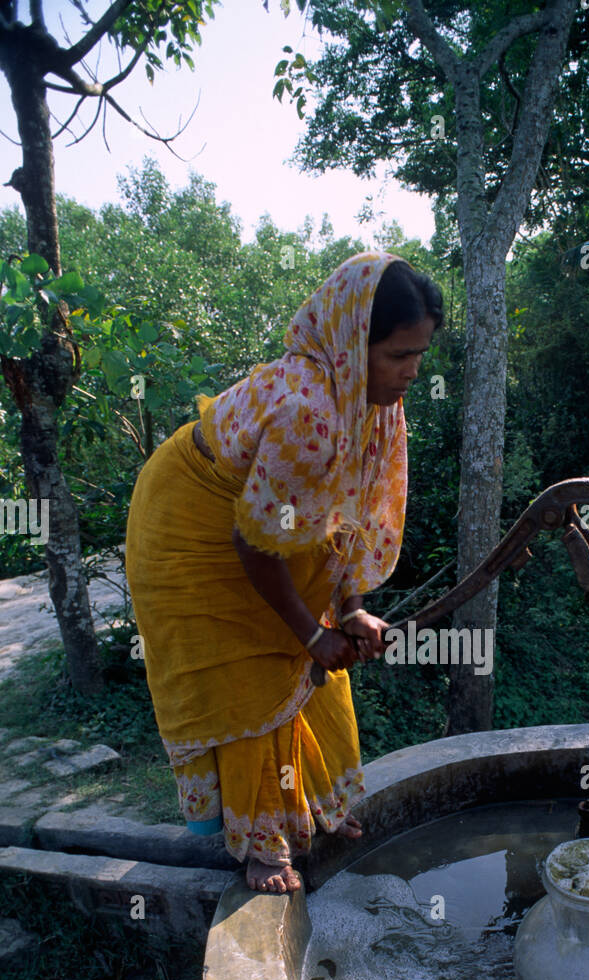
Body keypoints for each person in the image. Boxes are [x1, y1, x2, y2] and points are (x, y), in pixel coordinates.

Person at [125, 251, 442, 893]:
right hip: (193, 523)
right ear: (356, 343)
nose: (411, 372)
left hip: (260, 522)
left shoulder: (371, 402)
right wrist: (311, 632)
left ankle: (310, 812)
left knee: (308, 667)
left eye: (419, 356)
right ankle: (262, 848)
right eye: (398, 355)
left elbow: (346, 515)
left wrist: (348, 608)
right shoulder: (311, 412)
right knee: (256, 671)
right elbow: (255, 547)